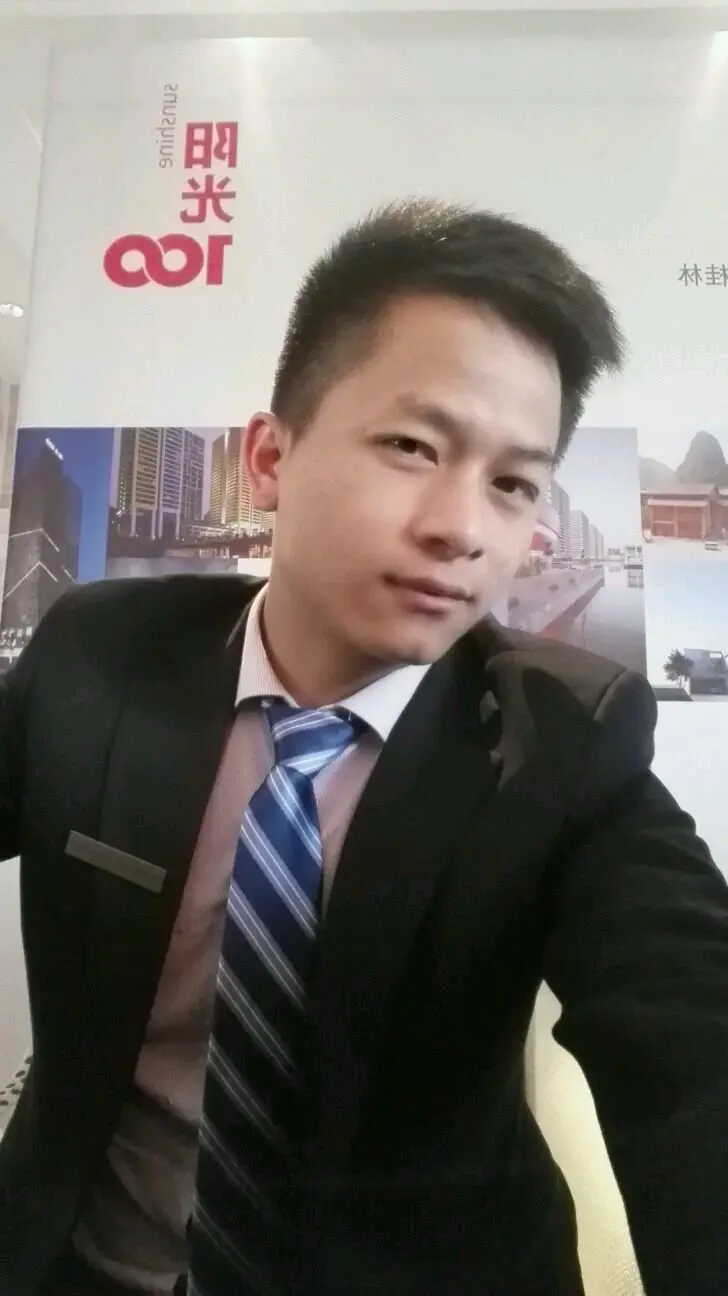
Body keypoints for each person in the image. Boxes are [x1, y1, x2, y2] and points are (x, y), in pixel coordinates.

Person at [1, 199, 727, 1296]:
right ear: (269, 457)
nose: (460, 527)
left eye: (512, 483)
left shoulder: (564, 740)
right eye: (410, 446)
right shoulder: (101, 657)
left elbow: (691, 1039)